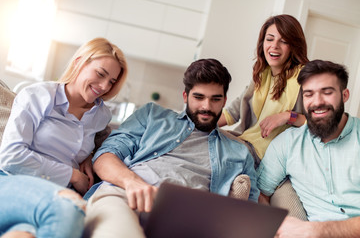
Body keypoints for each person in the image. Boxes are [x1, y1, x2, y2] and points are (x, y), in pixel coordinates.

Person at [83, 58, 259, 238]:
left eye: (215, 99)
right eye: (198, 97)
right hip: (125, 197)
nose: (206, 106)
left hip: (186, 222)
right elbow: (105, 156)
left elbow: (250, 215)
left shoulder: (239, 152)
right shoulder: (152, 115)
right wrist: (132, 182)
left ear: (224, 101)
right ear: (185, 96)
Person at [0, 37, 128, 237]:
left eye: (111, 81)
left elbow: (99, 144)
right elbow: (10, 157)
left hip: (49, 195)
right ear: (79, 62)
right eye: (100, 74)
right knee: (69, 208)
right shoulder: (37, 96)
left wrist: (90, 155)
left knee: (24, 235)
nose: (104, 86)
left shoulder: (102, 116)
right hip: (12, 182)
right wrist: (72, 174)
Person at [257, 60, 360, 237]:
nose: (317, 102)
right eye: (309, 94)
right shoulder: (287, 143)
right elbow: (261, 194)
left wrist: (319, 230)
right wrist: (277, 226)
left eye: (327, 92)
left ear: (345, 95)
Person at [218, 14, 308, 166]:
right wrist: (197, 124)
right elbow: (232, 113)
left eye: (284, 41)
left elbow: (319, 123)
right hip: (244, 141)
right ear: (262, 43)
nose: (274, 46)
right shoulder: (262, 73)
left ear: (294, 46)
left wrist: (287, 116)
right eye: (270, 39)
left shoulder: (305, 78)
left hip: (266, 154)